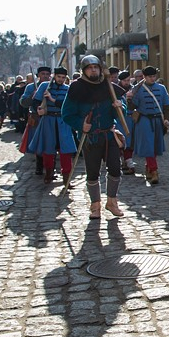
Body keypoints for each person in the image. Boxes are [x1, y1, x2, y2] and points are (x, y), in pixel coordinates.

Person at [61, 55, 127, 220]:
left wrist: (120, 107)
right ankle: (95, 206)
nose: (93, 70)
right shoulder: (76, 88)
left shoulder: (108, 86)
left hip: (109, 135)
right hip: (90, 137)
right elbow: (67, 114)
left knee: (115, 169)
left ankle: (112, 202)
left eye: (96, 67)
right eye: (90, 68)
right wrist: (80, 125)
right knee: (92, 172)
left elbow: (119, 112)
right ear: (84, 70)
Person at [26, 67, 79, 185]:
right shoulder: (45, 86)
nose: (61, 79)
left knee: (66, 151)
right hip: (48, 120)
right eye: (59, 77)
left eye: (63, 77)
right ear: (54, 76)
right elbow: (35, 102)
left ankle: (67, 178)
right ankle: (49, 174)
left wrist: (52, 99)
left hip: (62, 121)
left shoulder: (68, 89)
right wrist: (39, 109)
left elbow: (67, 106)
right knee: (48, 150)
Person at [126, 66, 169, 185]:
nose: (152, 78)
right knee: (148, 145)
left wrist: (166, 119)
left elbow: (167, 106)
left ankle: (149, 166)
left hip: (157, 120)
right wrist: (129, 99)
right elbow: (131, 108)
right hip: (144, 121)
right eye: (150, 77)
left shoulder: (161, 88)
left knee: (155, 146)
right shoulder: (138, 89)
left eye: (154, 76)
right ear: (144, 77)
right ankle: (154, 170)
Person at [20, 67, 52, 175]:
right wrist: (32, 96)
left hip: (50, 116)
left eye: (47, 74)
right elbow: (23, 102)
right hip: (36, 118)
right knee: (38, 142)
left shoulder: (53, 86)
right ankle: (39, 166)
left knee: (51, 142)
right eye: (43, 74)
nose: (45, 76)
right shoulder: (31, 87)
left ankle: (50, 167)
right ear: (38, 75)